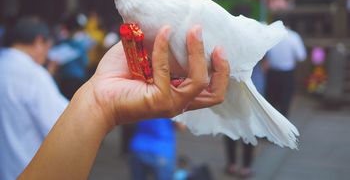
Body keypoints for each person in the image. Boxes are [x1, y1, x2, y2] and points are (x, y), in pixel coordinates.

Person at [18, 25, 230, 180]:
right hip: (162, 153)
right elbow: (180, 127)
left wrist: (100, 103)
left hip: (138, 149)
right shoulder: (34, 75)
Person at [0, 17, 69, 180]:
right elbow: (62, 124)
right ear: (39, 42)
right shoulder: (33, 75)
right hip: (28, 168)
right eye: (48, 47)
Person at [265, 19, 307, 117]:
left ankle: (269, 125)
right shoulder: (294, 36)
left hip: (272, 72)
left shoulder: (270, 35)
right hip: (287, 73)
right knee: (285, 101)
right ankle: (282, 125)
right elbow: (301, 56)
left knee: (270, 101)